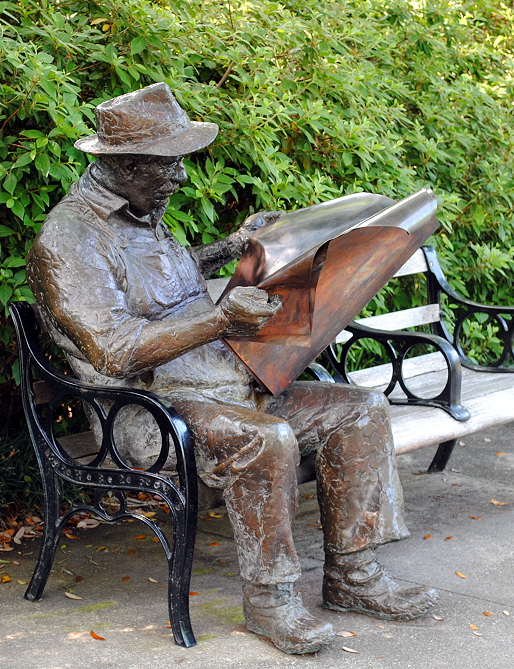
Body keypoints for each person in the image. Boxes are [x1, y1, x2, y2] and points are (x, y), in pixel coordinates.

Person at [26, 83, 437, 654]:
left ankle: (353, 575)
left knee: (360, 410)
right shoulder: (69, 238)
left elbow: (166, 283)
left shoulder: (144, 214)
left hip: (220, 382)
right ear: (122, 164)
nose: (181, 179)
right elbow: (112, 349)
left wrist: (232, 247)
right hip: (144, 412)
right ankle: (272, 600)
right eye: (167, 167)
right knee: (266, 439)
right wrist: (220, 323)